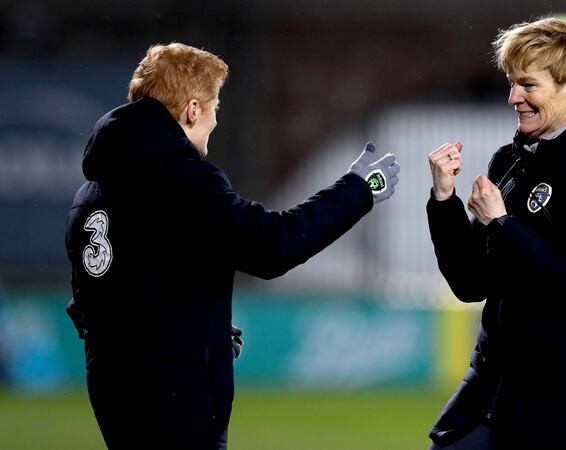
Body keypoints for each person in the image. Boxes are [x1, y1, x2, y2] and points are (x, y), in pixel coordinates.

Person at [64, 42, 399, 450]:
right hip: (175, 400)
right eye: (214, 107)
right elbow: (273, 246)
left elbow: (100, 297)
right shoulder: (185, 181)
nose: (216, 120)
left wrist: (198, 328)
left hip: (113, 393)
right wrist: (360, 190)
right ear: (191, 110)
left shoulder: (91, 193)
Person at [426, 17, 566, 450]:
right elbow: (470, 282)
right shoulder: (511, 161)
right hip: (490, 394)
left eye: (528, 85)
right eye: (511, 84)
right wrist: (444, 200)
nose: (514, 97)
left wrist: (504, 225)